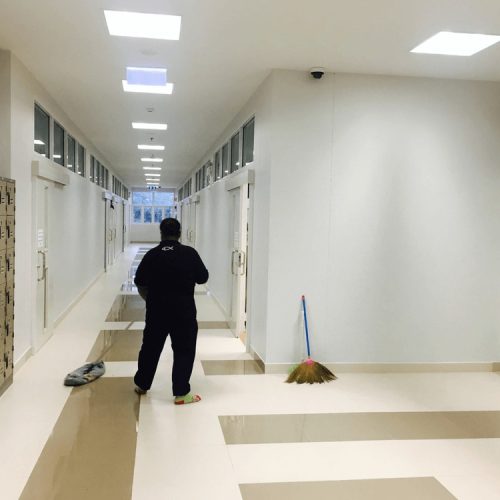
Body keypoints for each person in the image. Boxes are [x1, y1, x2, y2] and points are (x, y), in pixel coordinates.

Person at [133, 218, 209, 405]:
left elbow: (139, 280)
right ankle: (181, 393)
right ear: (180, 233)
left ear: (161, 233)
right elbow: (203, 277)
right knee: (184, 350)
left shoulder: (152, 255)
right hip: (184, 312)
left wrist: (149, 298)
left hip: (156, 312)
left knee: (150, 348)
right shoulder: (189, 254)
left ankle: (142, 384)